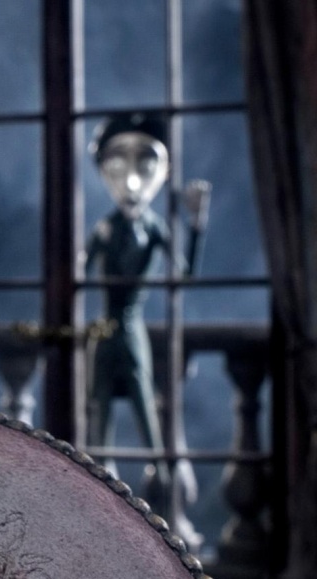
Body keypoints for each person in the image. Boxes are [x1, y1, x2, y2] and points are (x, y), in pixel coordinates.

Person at [83, 111, 210, 549]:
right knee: (98, 425)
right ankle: (96, 520)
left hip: (131, 329)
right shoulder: (104, 228)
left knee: (150, 426)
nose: (131, 179)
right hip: (104, 332)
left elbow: (184, 275)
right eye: (117, 162)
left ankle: (165, 523)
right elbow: (74, 275)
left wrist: (196, 225)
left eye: (145, 163)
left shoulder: (155, 227)